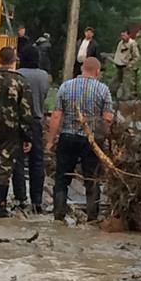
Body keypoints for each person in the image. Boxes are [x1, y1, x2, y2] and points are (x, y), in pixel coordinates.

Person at [47, 57, 115, 222]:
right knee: (92, 180)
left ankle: (58, 217)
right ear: (97, 71)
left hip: (67, 137)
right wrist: (104, 141)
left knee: (62, 179)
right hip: (91, 141)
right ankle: (92, 219)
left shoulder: (65, 86)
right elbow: (107, 118)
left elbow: (56, 116)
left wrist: (50, 140)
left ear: (82, 69)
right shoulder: (103, 90)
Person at [0, 47, 34, 218]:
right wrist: (27, 136)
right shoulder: (21, 82)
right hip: (11, 133)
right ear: (14, 60)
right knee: (4, 168)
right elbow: (26, 112)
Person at [12, 46, 50, 213]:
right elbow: (44, 96)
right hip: (36, 121)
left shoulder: (17, 75)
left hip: (17, 121)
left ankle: (20, 198)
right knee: (37, 161)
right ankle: (37, 201)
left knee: (18, 161)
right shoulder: (44, 76)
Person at [111, 29, 140, 100]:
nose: (122, 37)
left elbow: (136, 56)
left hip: (127, 65)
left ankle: (126, 97)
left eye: (124, 35)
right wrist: (115, 62)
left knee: (126, 82)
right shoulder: (120, 43)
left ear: (128, 35)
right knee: (115, 81)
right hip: (119, 65)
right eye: (122, 35)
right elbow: (118, 53)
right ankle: (112, 94)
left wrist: (130, 64)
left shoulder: (132, 43)